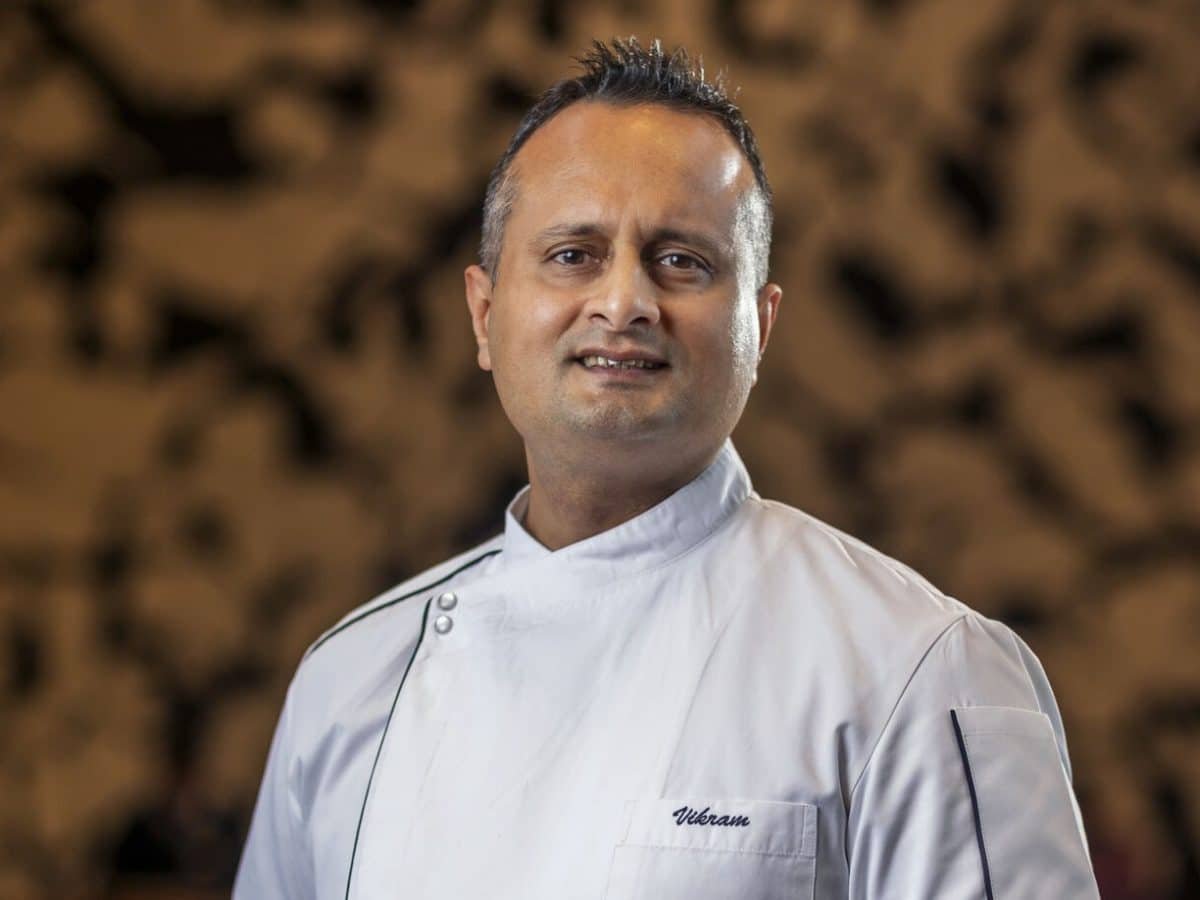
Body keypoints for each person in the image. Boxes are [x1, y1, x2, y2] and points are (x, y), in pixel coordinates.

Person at [234, 38, 1100, 899]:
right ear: (483, 313)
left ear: (761, 326)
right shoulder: (350, 681)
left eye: (681, 261)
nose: (623, 303)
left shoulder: (921, 669)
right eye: (573, 254)